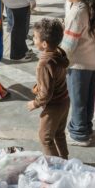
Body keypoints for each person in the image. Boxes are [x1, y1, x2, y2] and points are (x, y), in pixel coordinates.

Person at [62, 0, 95, 146]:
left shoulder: (77, 11)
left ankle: (79, 135)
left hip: (79, 63)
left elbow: (69, 44)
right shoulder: (86, 6)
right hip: (91, 59)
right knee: (87, 99)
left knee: (78, 101)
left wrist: (60, 61)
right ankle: (85, 129)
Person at [27, 18, 70, 159]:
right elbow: (52, 82)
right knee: (59, 133)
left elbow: (46, 93)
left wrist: (35, 103)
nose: (33, 39)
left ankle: (57, 167)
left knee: (45, 138)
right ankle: (65, 160)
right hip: (64, 101)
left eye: (35, 37)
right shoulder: (59, 53)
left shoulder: (44, 63)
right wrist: (38, 86)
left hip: (54, 106)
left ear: (44, 44)